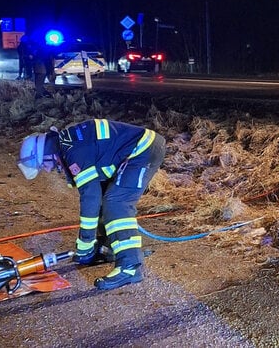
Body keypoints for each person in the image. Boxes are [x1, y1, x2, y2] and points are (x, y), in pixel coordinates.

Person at [16, 119, 166, 291]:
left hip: (143, 150)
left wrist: (85, 243)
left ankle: (130, 266)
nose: (48, 169)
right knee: (106, 198)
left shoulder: (74, 152)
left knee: (116, 203)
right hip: (138, 149)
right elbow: (95, 192)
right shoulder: (68, 145)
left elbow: (90, 197)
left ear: (45, 152)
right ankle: (109, 248)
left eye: (44, 164)